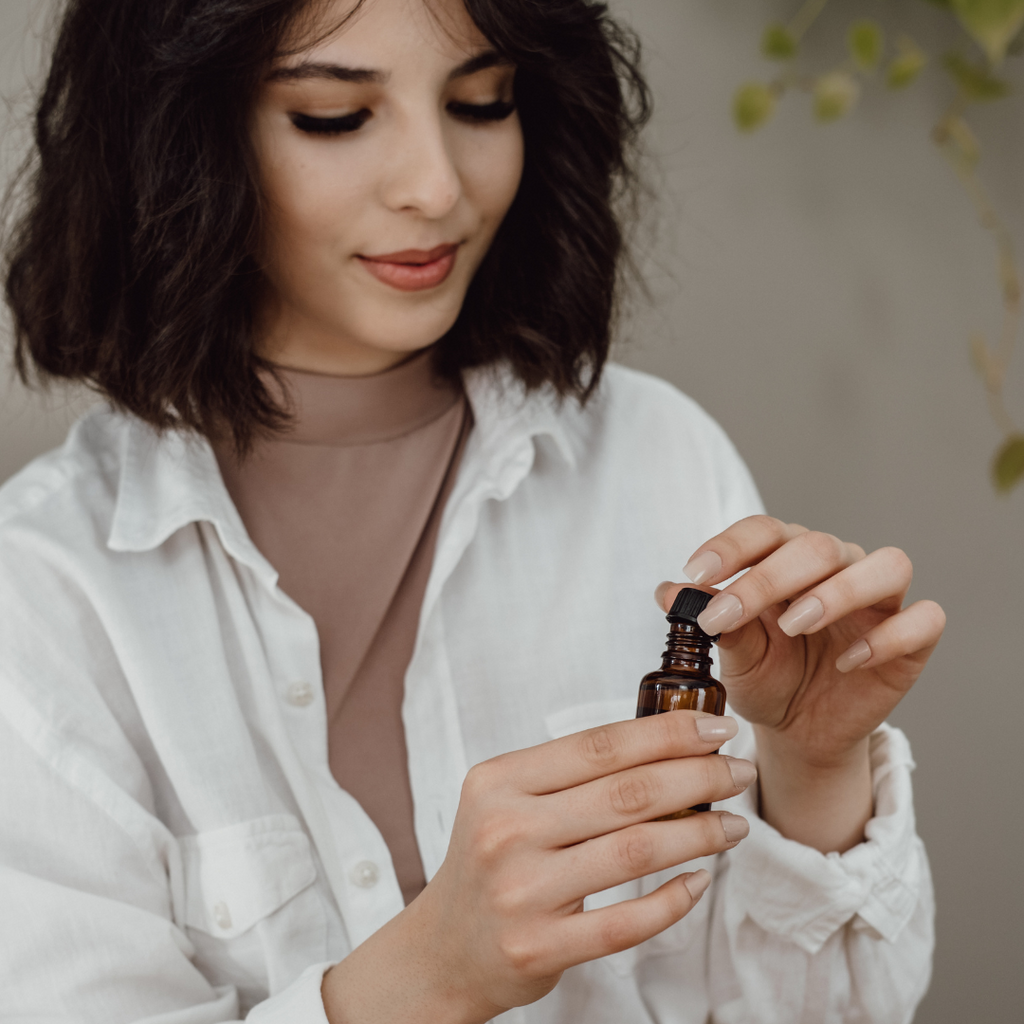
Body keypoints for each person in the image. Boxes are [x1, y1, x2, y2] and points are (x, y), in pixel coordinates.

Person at [0, 0, 944, 1021]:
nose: (437, 186)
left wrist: (812, 771)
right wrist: (427, 977)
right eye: (333, 117)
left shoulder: (660, 458)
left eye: (481, 103)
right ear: (176, 139)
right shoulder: (43, 598)